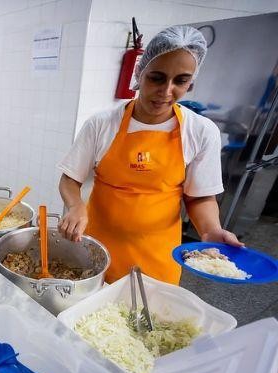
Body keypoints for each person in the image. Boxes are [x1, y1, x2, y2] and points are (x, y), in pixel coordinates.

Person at [57, 26, 242, 285]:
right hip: (95, 250)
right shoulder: (102, 124)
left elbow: (199, 196)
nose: (166, 91)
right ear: (139, 74)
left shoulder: (200, 131)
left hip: (157, 256)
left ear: (190, 83)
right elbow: (70, 179)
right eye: (157, 78)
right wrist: (76, 206)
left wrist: (210, 230)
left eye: (180, 81)